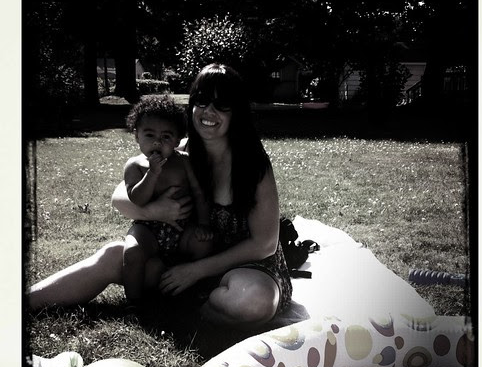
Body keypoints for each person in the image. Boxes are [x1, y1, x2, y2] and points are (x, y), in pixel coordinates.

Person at [28, 64, 292, 327]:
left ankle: (189, 311)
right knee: (114, 255)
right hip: (180, 261)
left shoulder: (252, 164)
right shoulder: (177, 150)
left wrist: (195, 271)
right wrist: (154, 211)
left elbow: (265, 244)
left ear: (237, 111)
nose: (208, 111)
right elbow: (119, 197)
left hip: (244, 270)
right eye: (201, 101)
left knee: (254, 299)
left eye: (221, 104)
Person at [121, 95, 212, 304]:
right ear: (136, 136)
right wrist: (152, 174)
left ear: (177, 141)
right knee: (132, 252)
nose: (157, 142)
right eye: (149, 135)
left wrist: (203, 223)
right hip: (147, 229)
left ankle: (197, 293)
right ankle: (134, 303)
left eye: (166, 137)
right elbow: (137, 199)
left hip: (182, 227)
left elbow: (199, 194)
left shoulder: (184, 162)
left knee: (203, 243)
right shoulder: (134, 166)